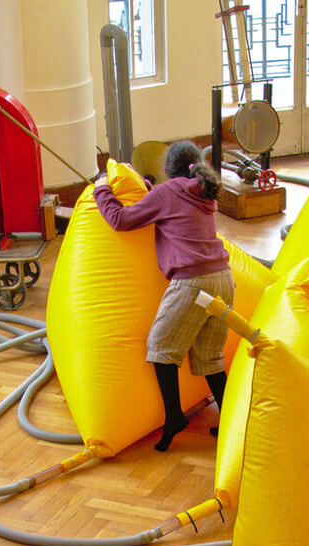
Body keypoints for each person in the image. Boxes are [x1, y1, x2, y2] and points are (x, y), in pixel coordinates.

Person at [92, 141, 235, 451]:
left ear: (168, 171)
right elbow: (165, 203)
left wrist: (101, 189)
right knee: (210, 356)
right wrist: (146, 187)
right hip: (224, 279)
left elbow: (120, 220)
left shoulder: (168, 193)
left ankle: (174, 416)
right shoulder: (202, 191)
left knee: (160, 347)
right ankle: (231, 421)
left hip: (194, 282)